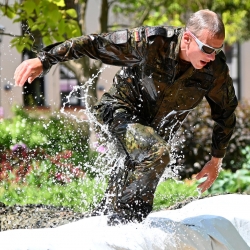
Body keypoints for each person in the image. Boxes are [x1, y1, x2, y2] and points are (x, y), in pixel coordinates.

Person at [14, 9, 238, 225]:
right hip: (120, 111)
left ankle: (105, 221)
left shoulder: (214, 70)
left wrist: (216, 159)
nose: (211, 57)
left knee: (125, 184)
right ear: (187, 39)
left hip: (152, 131)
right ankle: (128, 224)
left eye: (217, 51)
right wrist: (45, 60)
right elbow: (95, 43)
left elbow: (225, 112)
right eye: (207, 49)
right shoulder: (151, 42)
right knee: (156, 153)